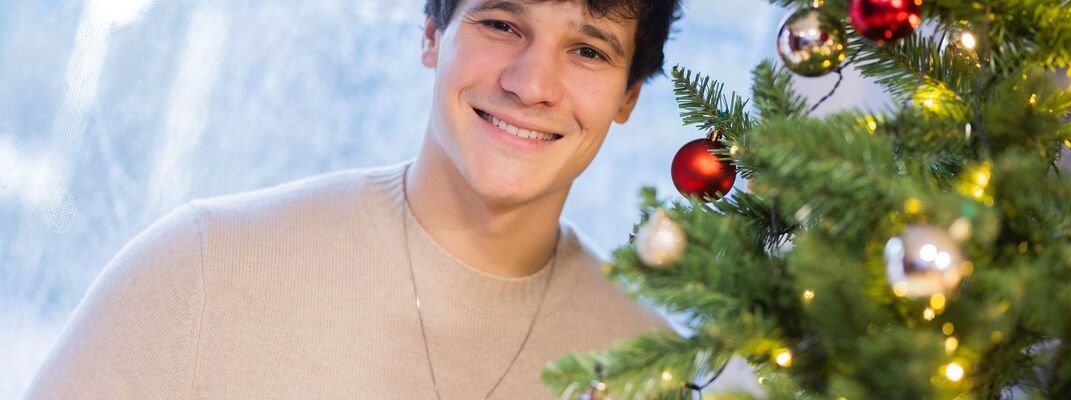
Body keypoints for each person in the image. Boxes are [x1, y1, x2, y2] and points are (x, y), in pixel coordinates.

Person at [25, 0, 682, 398]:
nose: (531, 82)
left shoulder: (659, 372)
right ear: (432, 35)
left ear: (627, 97)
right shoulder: (202, 270)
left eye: (588, 50)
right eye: (503, 23)